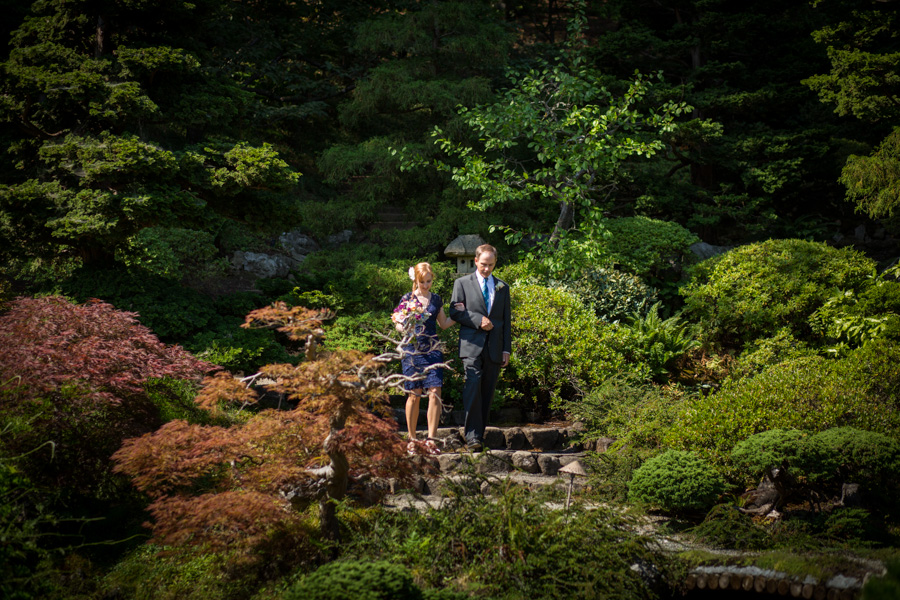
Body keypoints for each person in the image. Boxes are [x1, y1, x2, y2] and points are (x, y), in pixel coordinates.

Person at [447, 244, 511, 452]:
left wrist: (506, 349)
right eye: (483, 264)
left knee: (487, 391)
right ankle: (472, 436)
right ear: (476, 261)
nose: (486, 269)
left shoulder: (503, 287)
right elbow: (455, 312)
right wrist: (477, 319)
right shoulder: (462, 283)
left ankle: (478, 435)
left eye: (490, 265)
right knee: (473, 384)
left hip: (494, 347)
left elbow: (506, 321)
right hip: (471, 345)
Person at [392, 262, 456, 455]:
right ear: (415, 280)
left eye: (429, 281)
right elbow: (396, 321)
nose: (426, 285)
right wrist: (403, 328)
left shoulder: (436, 299)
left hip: (433, 349)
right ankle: (411, 440)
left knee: (435, 391)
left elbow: (443, 324)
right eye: (423, 282)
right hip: (412, 349)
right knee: (414, 393)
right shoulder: (408, 299)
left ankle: (431, 439)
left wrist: (460, 315)